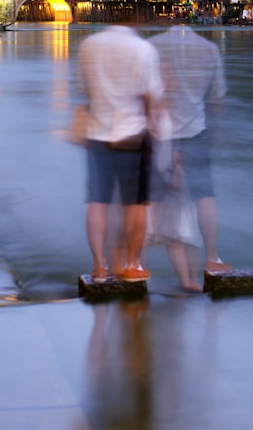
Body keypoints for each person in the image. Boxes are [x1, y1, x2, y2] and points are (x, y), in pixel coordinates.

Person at [77, 21, 165, 283]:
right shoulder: (142, 48)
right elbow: (151, 94)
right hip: (132, 134)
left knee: (97, 201)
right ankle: (132, 265)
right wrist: (154, 127)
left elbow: (83, 88)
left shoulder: (88, 46)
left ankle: (99, 267)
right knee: (136, 204)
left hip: (97, 133)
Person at [148, 26, 231, 288]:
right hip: (195, 131)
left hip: (158, 133)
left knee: (146, 200)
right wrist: (218, 131)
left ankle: (133, 262)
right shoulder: (209, 49)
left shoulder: (151, 46)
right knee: (204, 196)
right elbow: (217, 98)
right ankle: (211, 257)